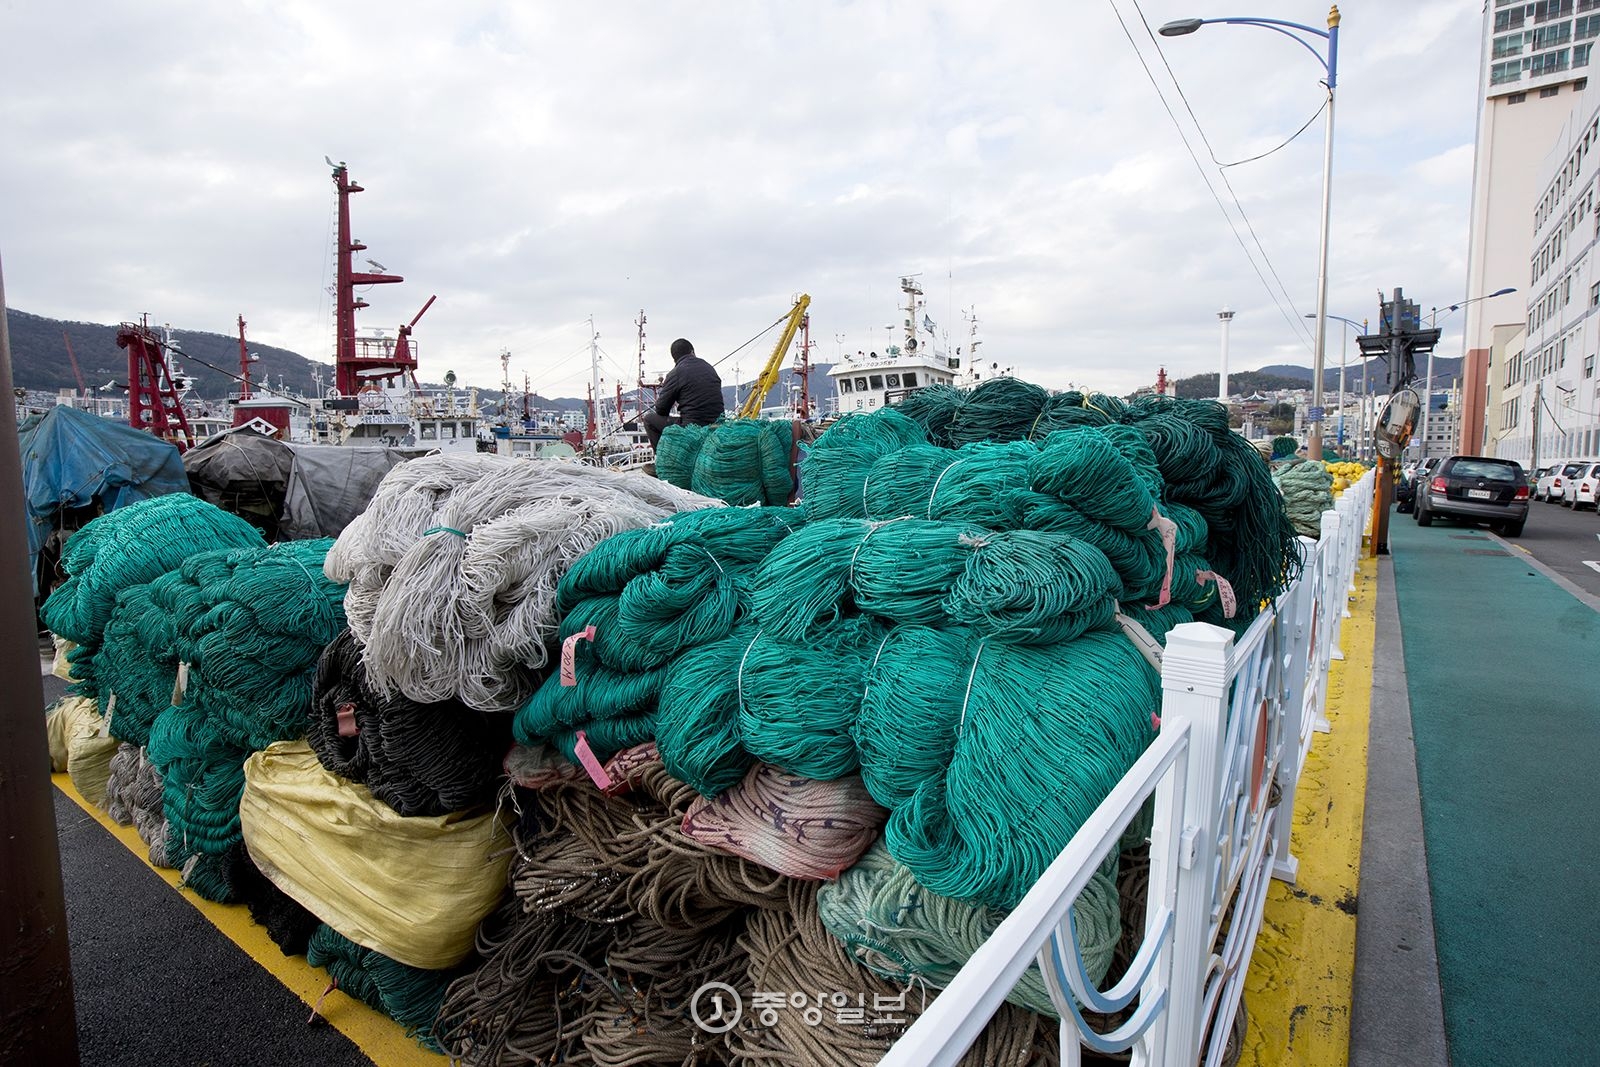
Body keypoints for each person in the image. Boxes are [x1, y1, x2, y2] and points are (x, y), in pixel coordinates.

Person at [643, 338, 724, 448]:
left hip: (692, 426)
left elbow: (661, 410)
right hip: (718, 424)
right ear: (692, 352)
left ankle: (661, 458)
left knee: (648, 419)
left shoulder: (675, 373)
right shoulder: (710, 368)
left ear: (674, 359)